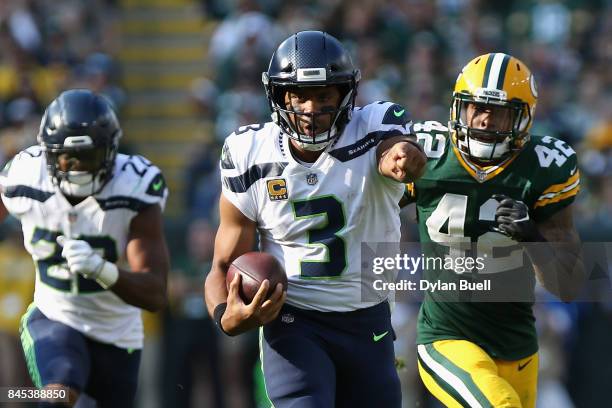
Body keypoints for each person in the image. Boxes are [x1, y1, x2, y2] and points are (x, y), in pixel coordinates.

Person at [204, 30, 426, 408]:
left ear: (345, 94)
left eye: (323, 96)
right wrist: (227, 316)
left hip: (367, 320)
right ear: (279, 96)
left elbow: (398, 149)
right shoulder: (248, 152)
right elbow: (223, 264)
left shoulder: (374, 126)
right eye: (299, 96)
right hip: (294, 320)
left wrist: (404, 158)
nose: (310, 109)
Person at [403, 53, 585, 407]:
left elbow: (570, 285)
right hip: (446, 337)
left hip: (516, 345)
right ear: (458, 107)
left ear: (523, 117)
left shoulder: (544, 167)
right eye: (475, 107)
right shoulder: (428, 152)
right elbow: (368, 208)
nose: (484, 119)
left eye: (498, 111)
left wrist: (531, 236)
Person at [0, 89, 170, 407]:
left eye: (88, 157)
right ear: (47, 153)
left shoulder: (134, 185)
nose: (77, 169)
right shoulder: (25, 175)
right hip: (55, 315)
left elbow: (155, 292)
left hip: (118, 334)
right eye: (68, 158)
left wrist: (101, 270)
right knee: (59, 391)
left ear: (110, 151)